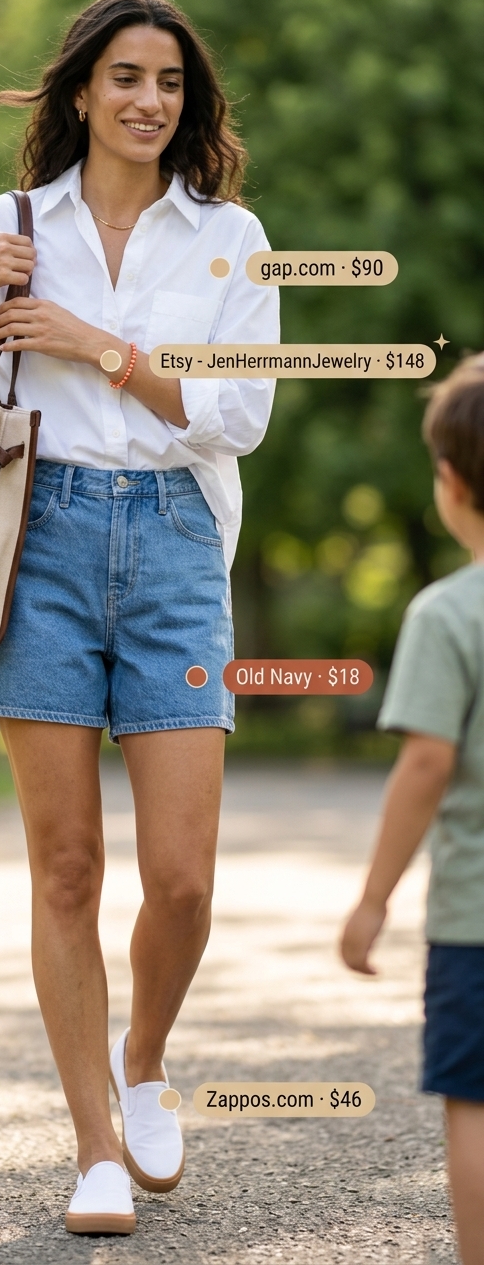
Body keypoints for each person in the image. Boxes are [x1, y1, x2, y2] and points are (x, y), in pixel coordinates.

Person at [0, 0, 278, 1235]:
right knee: (68, 863)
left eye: (171, 83)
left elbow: (236, 413)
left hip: (175, 542)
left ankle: (144, 1054)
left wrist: (98, 346)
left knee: (184, 878)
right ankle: (95, 1141)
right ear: (81, 91)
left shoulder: (228, 236)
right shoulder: (8, 223)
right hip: (31, 540)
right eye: (127, 78)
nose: (151, 101)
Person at [341, 355, 484, 1265]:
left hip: (476, 923)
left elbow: (427, 760)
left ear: (451, 481)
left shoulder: (446, 614)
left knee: (473, 1102)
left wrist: (374, 899)